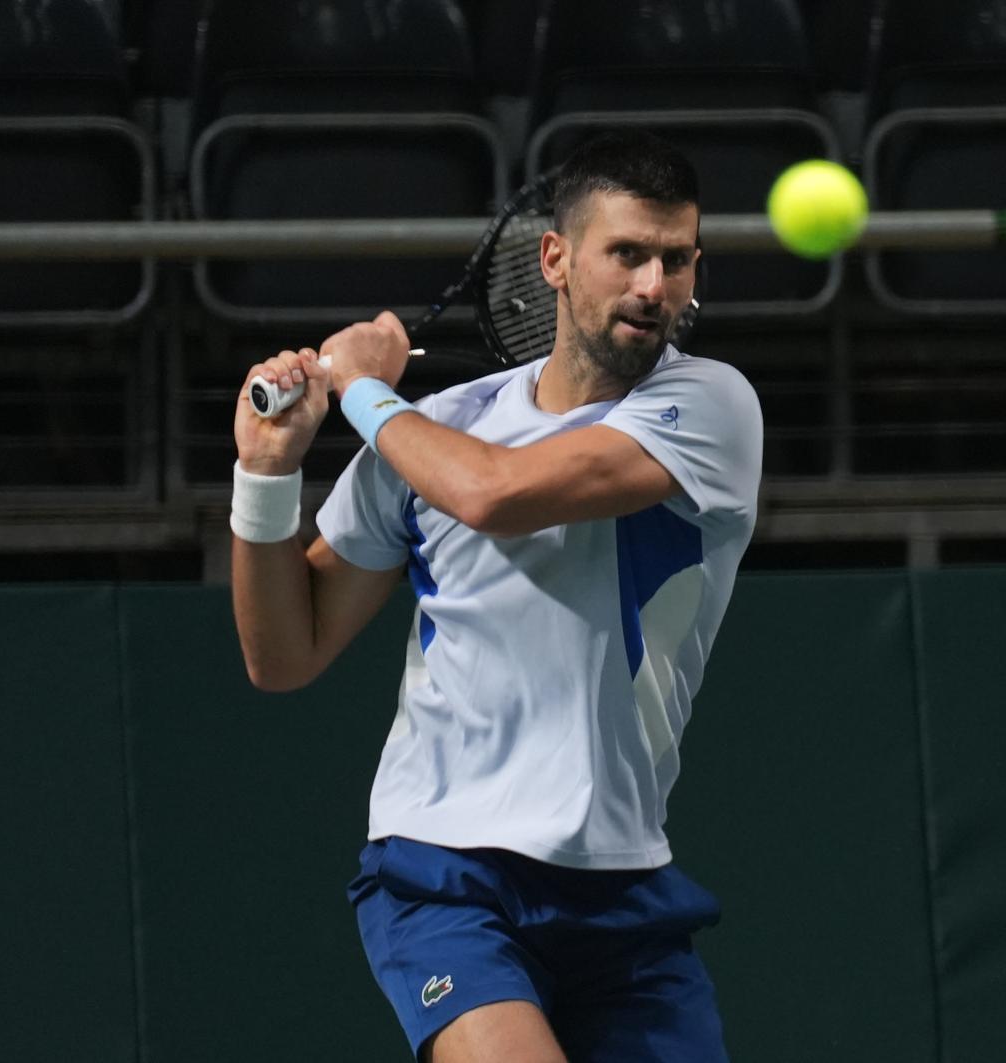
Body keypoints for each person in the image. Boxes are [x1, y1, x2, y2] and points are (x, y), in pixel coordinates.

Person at [229, 131, 763, 1062]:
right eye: (627, 253)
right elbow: (284, 653)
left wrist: (359, 392)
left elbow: (495, 495)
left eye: (676, 260)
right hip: (445, 875)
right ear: (555, 258)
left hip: (623, 890)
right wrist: (266, 474)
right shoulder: (433, 432)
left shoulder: (712, 407)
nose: (653, 286)